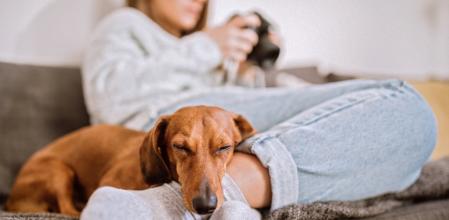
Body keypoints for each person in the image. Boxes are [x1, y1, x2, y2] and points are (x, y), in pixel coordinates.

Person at [80, 0, 437, 219]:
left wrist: (250, 71)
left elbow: (246, 127)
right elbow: (110, 100)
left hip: (222, 120)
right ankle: (175, 205)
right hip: (171, 118)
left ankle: (215, 196)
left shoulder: (200, 47)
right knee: (405, 102)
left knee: (410, 120)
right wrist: (207, 46)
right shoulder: (125, 25)